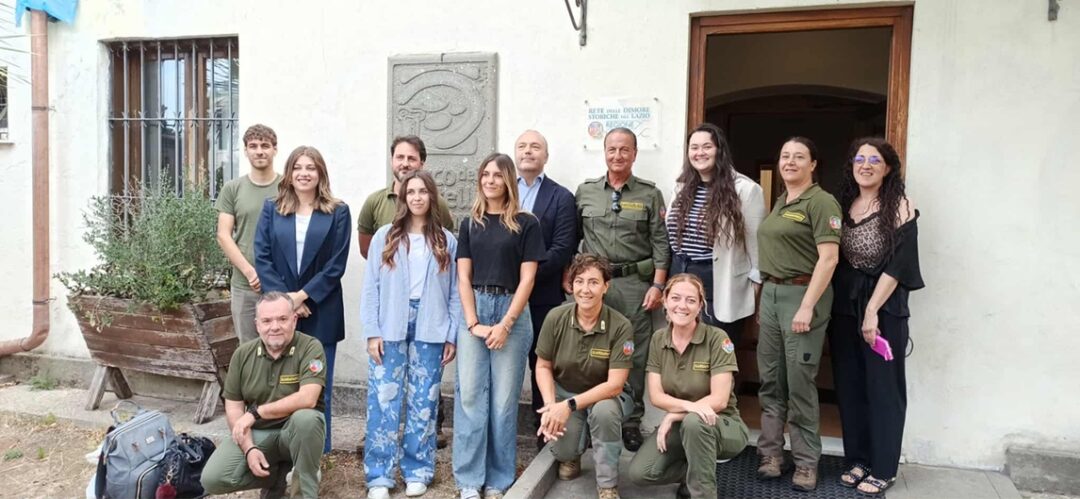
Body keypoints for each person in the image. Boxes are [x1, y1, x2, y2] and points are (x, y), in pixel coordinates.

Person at [830, 138, 923, 497]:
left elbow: (899, 265)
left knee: (884, 388)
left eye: (874, 160)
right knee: (850, 386)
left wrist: (871, 312)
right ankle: (858, 459)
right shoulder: (844, 204)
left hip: (884, 308)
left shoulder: (899, 206)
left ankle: (883, 468)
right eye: (859, 159)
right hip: (844, 306)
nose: (865, 165)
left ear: (888, 168)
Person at [361, 170, 461, 499]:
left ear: (432, 197)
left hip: (431, 325)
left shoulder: (446, 241)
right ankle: (379, 475)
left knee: (424, 401)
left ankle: (418, 469)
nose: (417, 197)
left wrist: (451, 334)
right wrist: (372, 332)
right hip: (390, 324)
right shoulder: (385, 237)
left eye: (423, 191)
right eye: (411, 192)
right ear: (403, 198)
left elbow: (455, 293)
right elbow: (371, 287)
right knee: (384, 399)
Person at [454, 152, 546, 499]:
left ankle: (499, 478)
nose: (490, 180)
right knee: (470, 397)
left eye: (496, 175)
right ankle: (469, 479)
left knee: (504, 401)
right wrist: (473, 323)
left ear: (508, 180)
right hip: (475, 309)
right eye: (485, 175)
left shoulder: (526, 223)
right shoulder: (469, 223)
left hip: (512, 312)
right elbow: (463, 277)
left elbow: (528, 279)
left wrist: (506, 324)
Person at [575, 127, 671, 451]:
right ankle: (592, 418)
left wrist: (658, 285)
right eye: (612, 149)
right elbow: (573, 237)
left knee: (634, 353)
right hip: (595, 283)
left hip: (634, 285)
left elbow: (661, 243)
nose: (618, 155)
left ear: (634, 154)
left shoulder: (649, 194)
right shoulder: (586, 192)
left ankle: (630, 420)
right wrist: (572, 280)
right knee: (591, 350)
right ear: (604, 152)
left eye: (624, 149)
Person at [755, 137, 841, 491]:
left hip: (802, 295)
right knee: (771, 380)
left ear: (813, 164)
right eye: (785, 156)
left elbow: (829, 258)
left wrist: (807, 305)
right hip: (772, 295)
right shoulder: (781, 200)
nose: (790, 162)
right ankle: (771, 455)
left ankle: (806, 463)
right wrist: (763, 298)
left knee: (800, 383)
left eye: (799, 157)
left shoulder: (821, 202)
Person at [255, 145, 351, 454]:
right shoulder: (272, 209)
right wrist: (288, 303)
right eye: (298, 167)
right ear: (289, 173)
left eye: (310, 167)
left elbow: (335, 265)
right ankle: (281, 450)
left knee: (317, 387)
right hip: (281, 315)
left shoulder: (338, 212)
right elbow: (263, 258)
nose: (304, 173)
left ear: (320, 173)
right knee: (280, 385)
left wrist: (302, 296)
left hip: (321, 311)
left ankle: (318, 453)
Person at [627, 273, 749, 499]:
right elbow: (656, 396)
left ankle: (703, 494)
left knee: (694, 422)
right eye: (675, 298)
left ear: (700, 305)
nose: (682, 306)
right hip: (683, 424)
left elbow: (719, 400)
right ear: (664, 300)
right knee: (640, 473)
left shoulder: (717, 338)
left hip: (722, 423)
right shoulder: (658, 339)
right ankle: (694, 471)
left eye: (691, 300)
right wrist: (687, 409)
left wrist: (674, 415)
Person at [201, 292, 327, 499]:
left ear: (294, 320)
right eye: (267, 321)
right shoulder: (242, 354)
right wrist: (249, 448)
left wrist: (255, 413)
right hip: (260, 434)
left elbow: (308, 398)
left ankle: (304, 490)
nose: (274, 327)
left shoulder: (310, 347)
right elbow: (233, 408)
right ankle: (276, 476)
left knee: (307, 419)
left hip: (294, 433)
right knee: (213, 478)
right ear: (257, 324)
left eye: (282, 319)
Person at [534, 254, 633, 499]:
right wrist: (551, 405)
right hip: (566, 393)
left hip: (607, 397)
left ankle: (607, 484)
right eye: (579, 281)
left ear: (606, 286)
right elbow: (543, 366)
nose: (585, 289)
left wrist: (567, 406)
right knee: (563, 454)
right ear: (571, 285)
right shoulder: (556, 317)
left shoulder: (620, 325)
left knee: (603, 413)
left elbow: (615, 385)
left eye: (593, 282)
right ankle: (573, 454)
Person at [666, 123, 765, 345]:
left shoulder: (745, 190)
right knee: (682, 344)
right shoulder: (681, 186)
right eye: (694, 147)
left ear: (719, 150)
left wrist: (754, 290)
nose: (699, 153)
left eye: (707, 147)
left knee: (715, 349)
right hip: (680, 271)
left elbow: (756, 246)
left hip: (718, 278)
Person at [514, 129, 579, 447]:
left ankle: (546, 440)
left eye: (535, 146)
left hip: (543, 298)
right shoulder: (500, 190)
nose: (528, 151)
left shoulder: (561, 197)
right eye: (522, 146)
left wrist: (526, 277)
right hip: (503, 297)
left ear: (546, 156)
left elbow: (562, 247)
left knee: (542, 366)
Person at [215, 124, 282, 342]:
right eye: (253, 146)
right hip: (245, 285)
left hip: (281, 283)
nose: (259, 151)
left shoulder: (288, 188)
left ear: (275, 149)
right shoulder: (233, 188)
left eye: (265, 145)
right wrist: (250, 272)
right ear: (245, 151)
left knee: (283, 346)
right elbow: (223, 235)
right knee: (249, 348)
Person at [358, 135, 455, 258]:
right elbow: (367, 250)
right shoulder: (374, 202)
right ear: (391, 160)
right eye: (400, 157)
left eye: (411, 159)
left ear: (421, 164)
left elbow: (446, 246)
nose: (405, 163)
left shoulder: (437, 203)